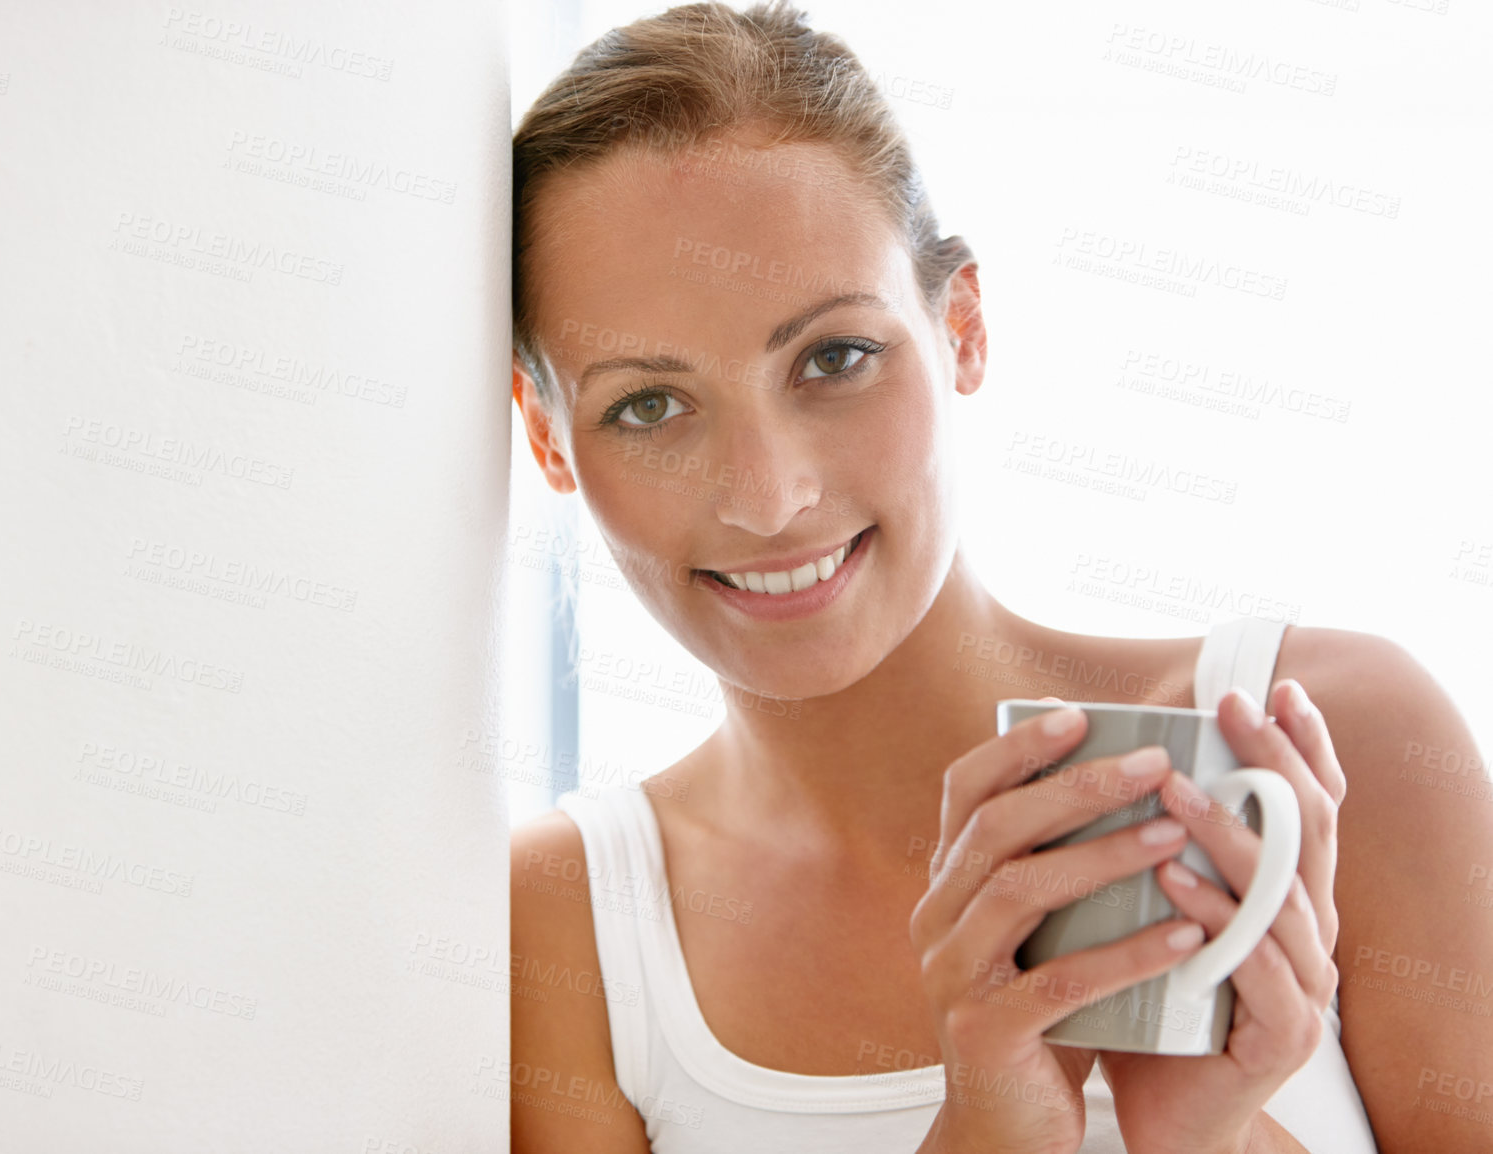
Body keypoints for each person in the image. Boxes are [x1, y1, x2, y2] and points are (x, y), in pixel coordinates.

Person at [506, 3, 1492, 1151]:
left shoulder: (1326, 743)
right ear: (548, 441)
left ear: (961, 327)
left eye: (834, 356)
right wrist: (989, 1129)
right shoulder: (560, 924)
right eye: (648, 405)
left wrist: (1208, 1136)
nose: (767, 496)